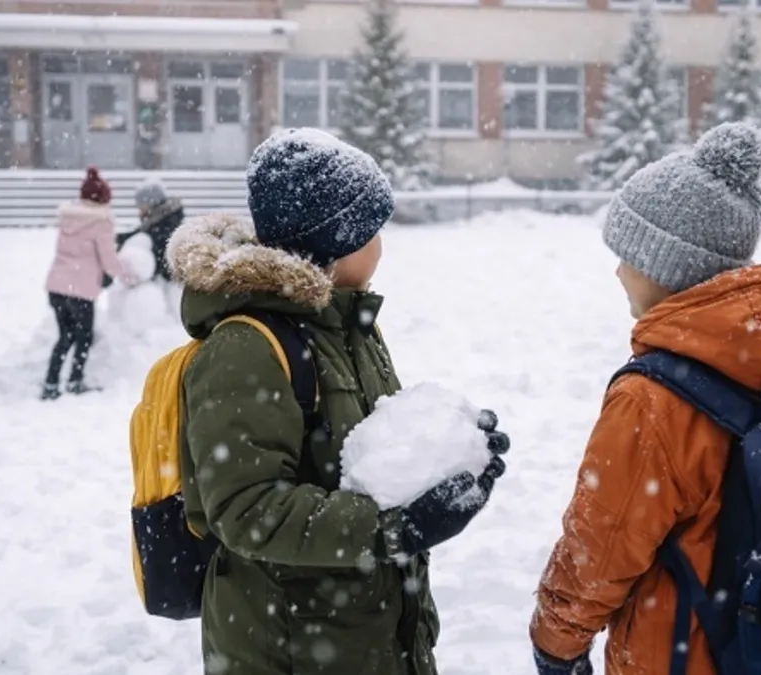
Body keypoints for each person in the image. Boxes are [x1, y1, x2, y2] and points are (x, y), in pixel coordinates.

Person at [170, 128, 510, 675]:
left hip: (365, 634)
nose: (383, 242)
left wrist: (448, 452)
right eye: (373, 229)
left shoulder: (347, 325)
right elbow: (244, 508)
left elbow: (368, 454)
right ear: (337, 242)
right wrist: (393, 527)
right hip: (291, 646)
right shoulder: (246, 348)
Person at [529, 123, 761, 675]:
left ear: (666, 266)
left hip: (685, 652)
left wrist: (557, 643)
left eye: (628, 254)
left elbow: (601, 545)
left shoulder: (654, 399)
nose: (618, 270)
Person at [42, 167, 137, 400]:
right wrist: (125, 274)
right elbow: (109, 259)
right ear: (103, 199)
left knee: (65, 335)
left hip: (56, 287)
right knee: (84, 336)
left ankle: (51, 383)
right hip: (80, 291)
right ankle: (75, 380)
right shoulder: (100, 222)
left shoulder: (68, 218)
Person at [129, 179, 185, 282]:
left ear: (151, 203)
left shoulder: (162, 228)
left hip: (165, 286)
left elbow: (161, 262)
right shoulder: (159, 221)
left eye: (140, 205)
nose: (139, 209)